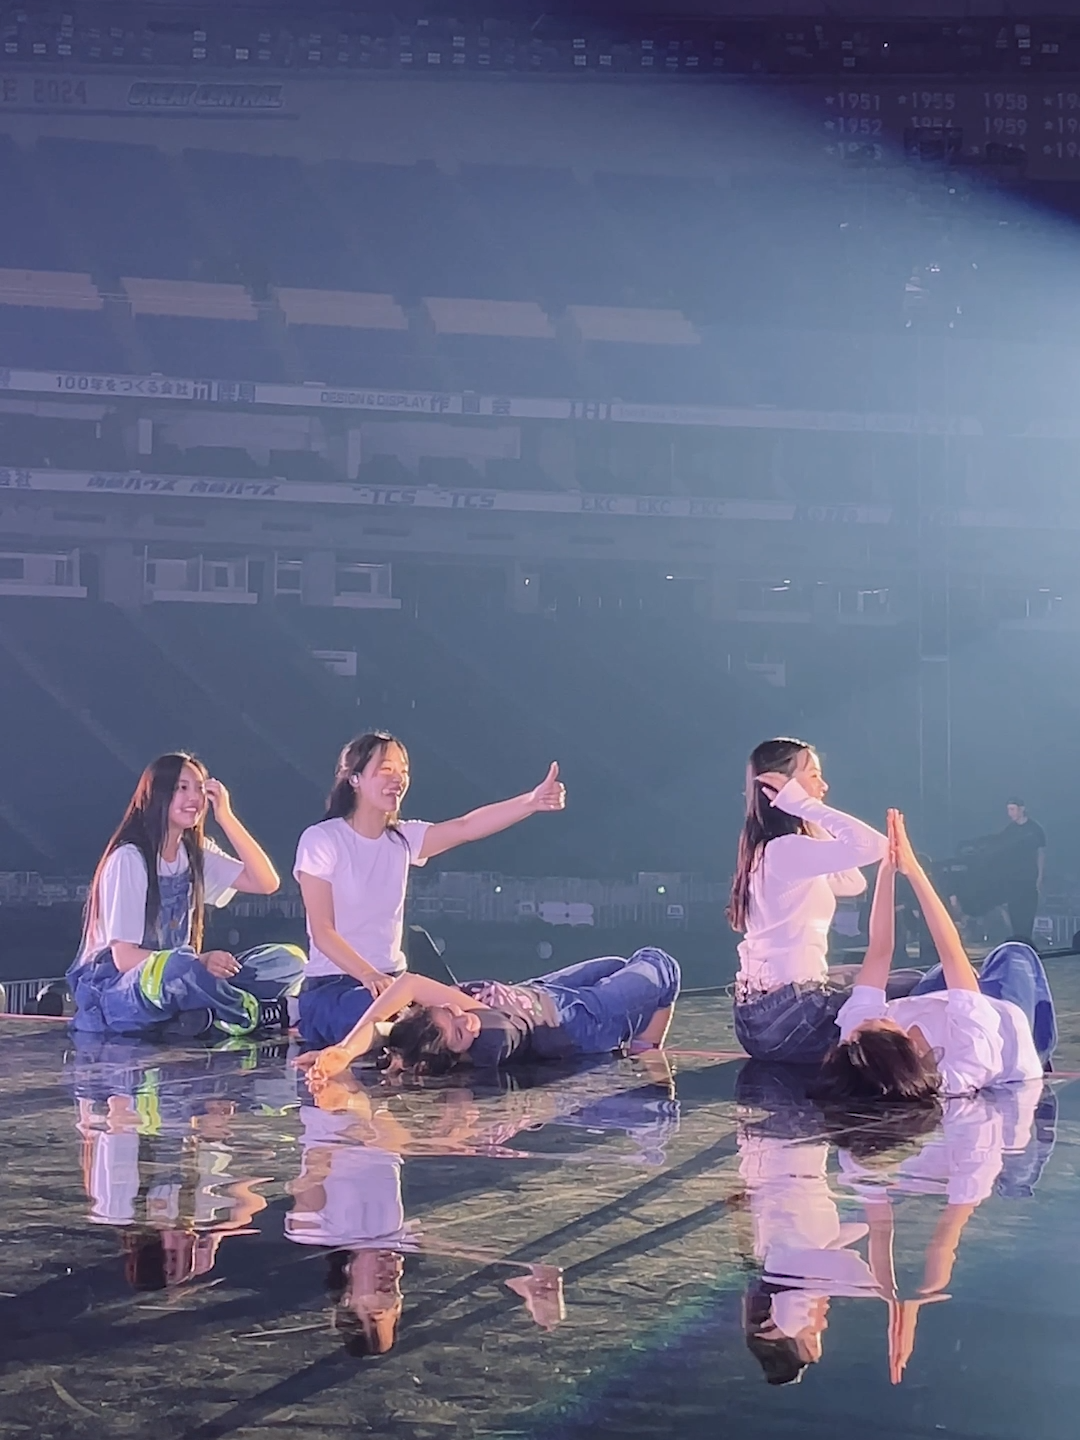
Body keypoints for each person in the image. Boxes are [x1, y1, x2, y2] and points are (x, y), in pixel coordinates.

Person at [293, 731, 566, 1049]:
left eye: (403, 771)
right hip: (334, 988)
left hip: (396, 984)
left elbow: (466, 827)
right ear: (354, 778)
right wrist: (368, 975)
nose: (398, 779)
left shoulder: (401, 839)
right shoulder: (322, 840)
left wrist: (531, 802)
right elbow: (323, 931)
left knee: (463, 1025)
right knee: (409, 1029)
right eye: (386, 769)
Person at [815, 810, 1056, 1104]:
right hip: (1009, 1026)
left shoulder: (860, 1049)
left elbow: (879, 950)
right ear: (907, 1048)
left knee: (943, 973)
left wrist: (888, 870)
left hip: (946, 1006)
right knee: (1015, 953)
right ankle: (1042, 1041)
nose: (866, 1019)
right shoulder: (968, 1060)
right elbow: (952, 949)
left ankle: (969, 990)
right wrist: (915, 870)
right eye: (882, 1021)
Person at [68, 753, 305, 1039]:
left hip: (183, 977)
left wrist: (226, 817)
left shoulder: (195, 851)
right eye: (182, 788)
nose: (194, 797)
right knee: (178, 967)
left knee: (288, 959)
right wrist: (200, 963)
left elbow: (266, 882)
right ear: (156, 794)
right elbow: (125, 959)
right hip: (118, 993)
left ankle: (200, 1014)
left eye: (200, 789)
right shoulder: (129, 858)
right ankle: (250, 1013)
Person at [727, 738, 908, 1065]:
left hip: (762, 1020)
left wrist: (806, 816)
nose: (823, 786)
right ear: (784, 786)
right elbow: (875, 846)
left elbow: (853, 882)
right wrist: (805, 805)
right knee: (918, 986)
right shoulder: (785, 850)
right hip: (791, 1019)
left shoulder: (770, 850)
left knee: (875, 976)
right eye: (813, 776)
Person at [295, 949, 680, 1082]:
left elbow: (384, 1029)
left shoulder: (430, 1032)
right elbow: (408, 983)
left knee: (613, 962)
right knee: (658, 965)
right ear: (459, 1055)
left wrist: (344, 1052)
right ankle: (644, 1038)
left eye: (452, 1013)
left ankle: (638, 1030)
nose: (468, 1020)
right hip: (580, 1021)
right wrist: (650, 1046)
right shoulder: (490, 1043)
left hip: (538, 991)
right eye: (461, 1033)